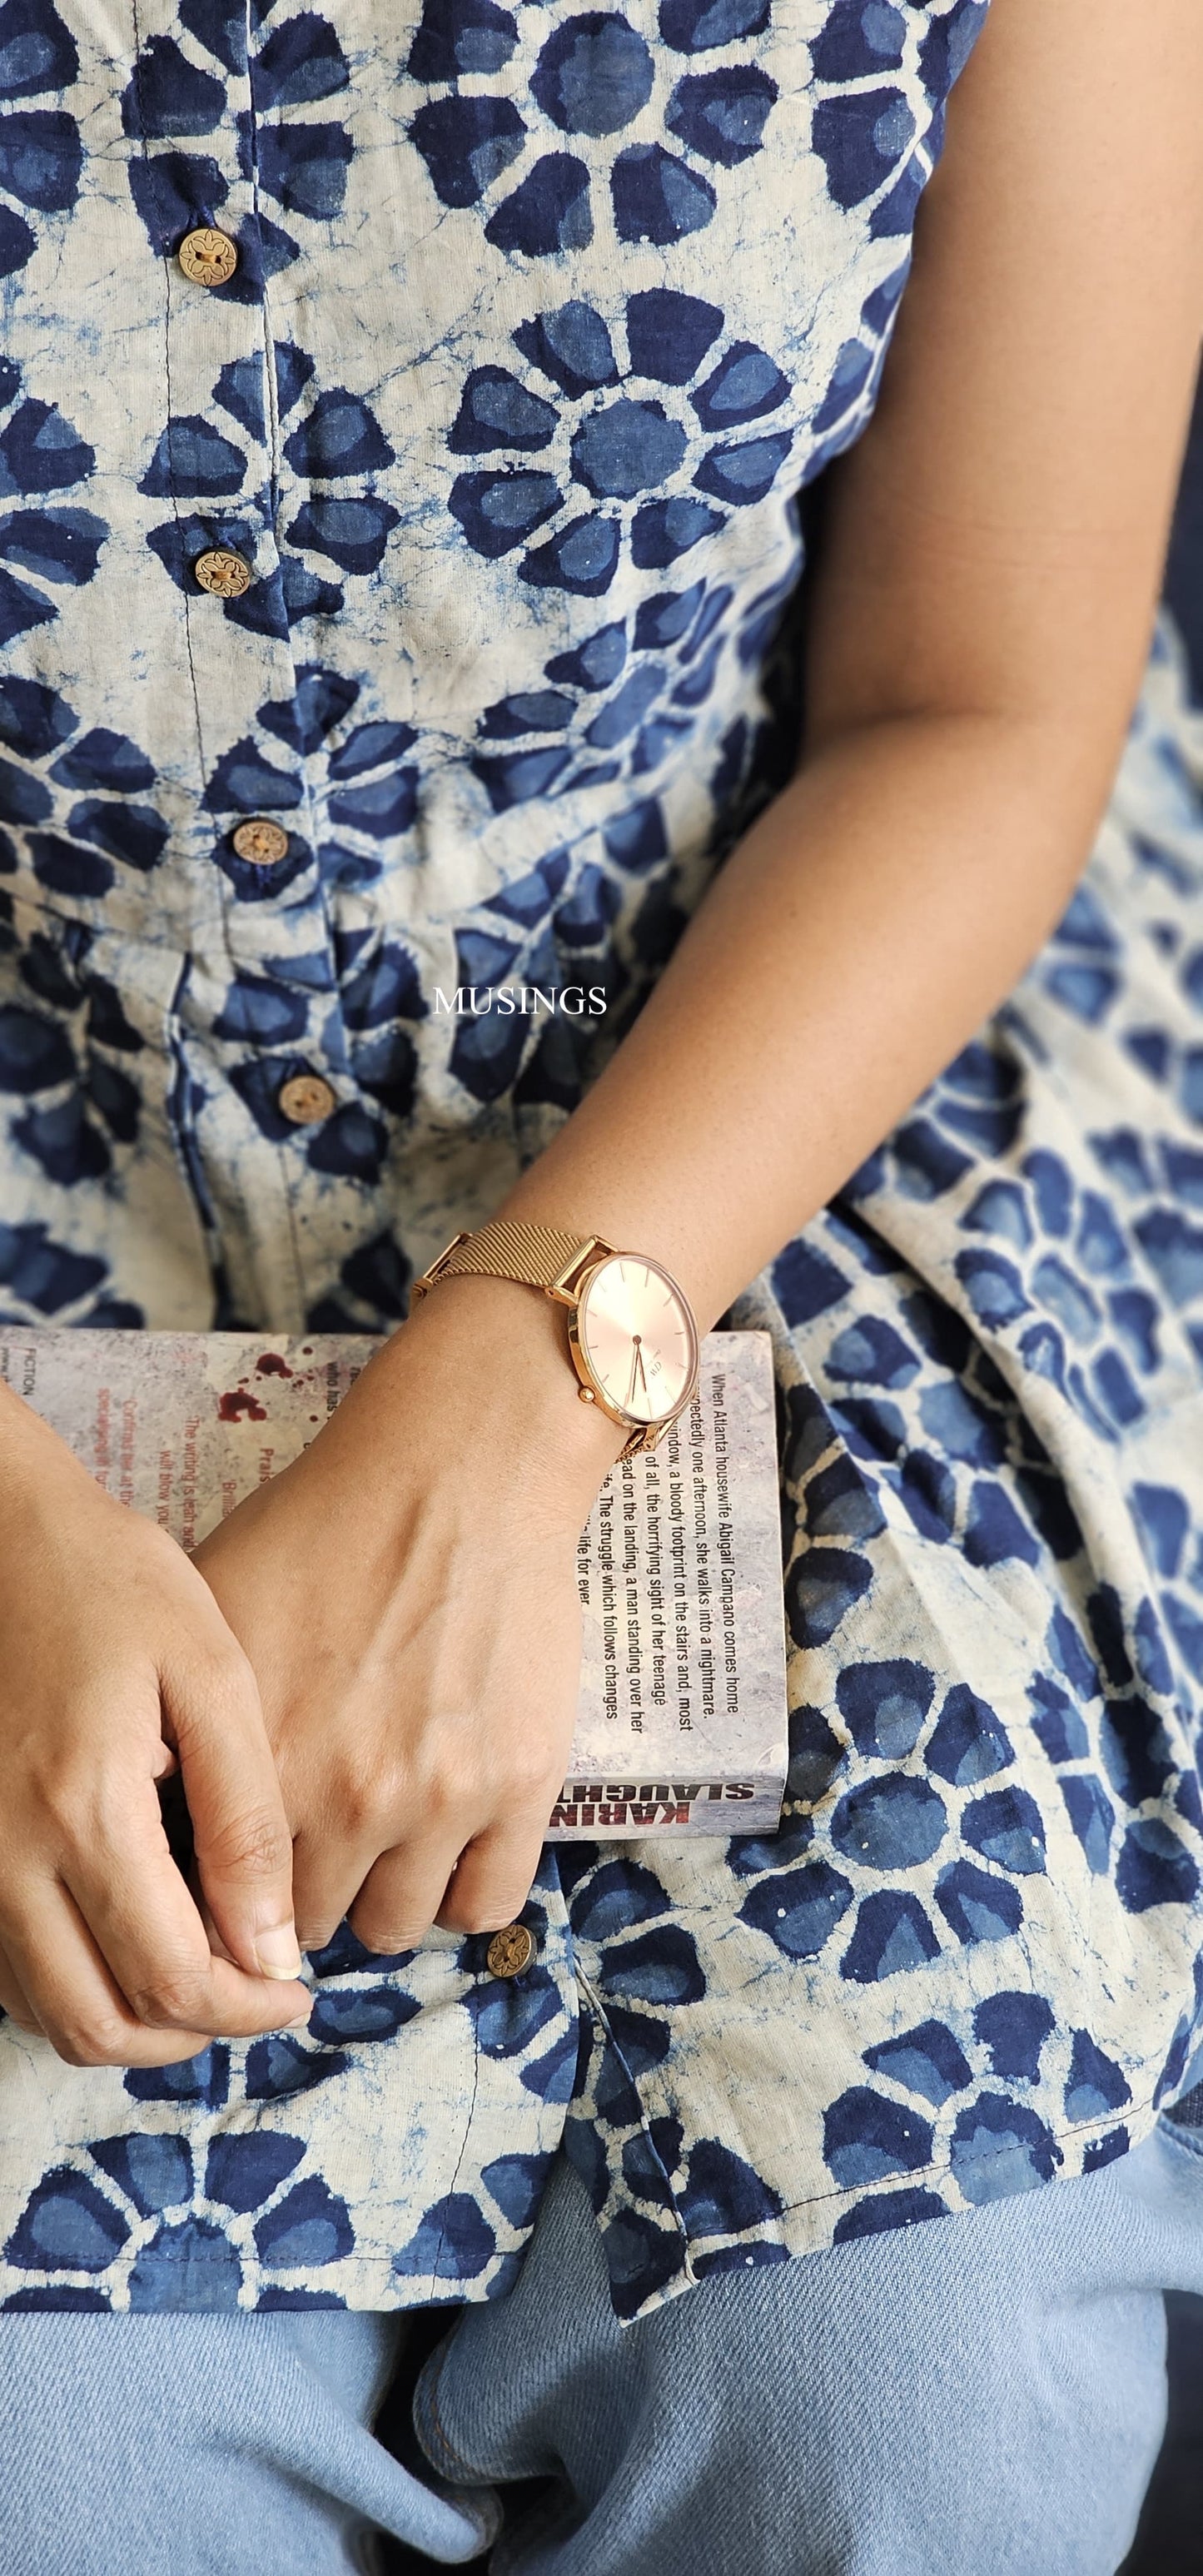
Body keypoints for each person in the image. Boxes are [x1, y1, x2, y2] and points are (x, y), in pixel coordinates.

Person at [0, 0, 1200, 2567]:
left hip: (743, 1044)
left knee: (900, 2388)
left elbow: (973, 695)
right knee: (56, 2473)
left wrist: (523, 1396)